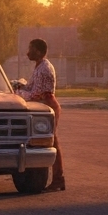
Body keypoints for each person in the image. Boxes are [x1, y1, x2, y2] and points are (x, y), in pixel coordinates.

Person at [18, 37, 65, 192]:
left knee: (51, 143)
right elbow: (31, 86)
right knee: (49, 142)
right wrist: (19, 85)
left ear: (38, 51)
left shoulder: (44, 68)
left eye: (30, 49)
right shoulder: (40, 66)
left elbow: (36, 94)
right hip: (44, 104)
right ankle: (58, 179)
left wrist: (17, 93)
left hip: (47, 104)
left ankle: (58, 179)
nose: (27, 52)